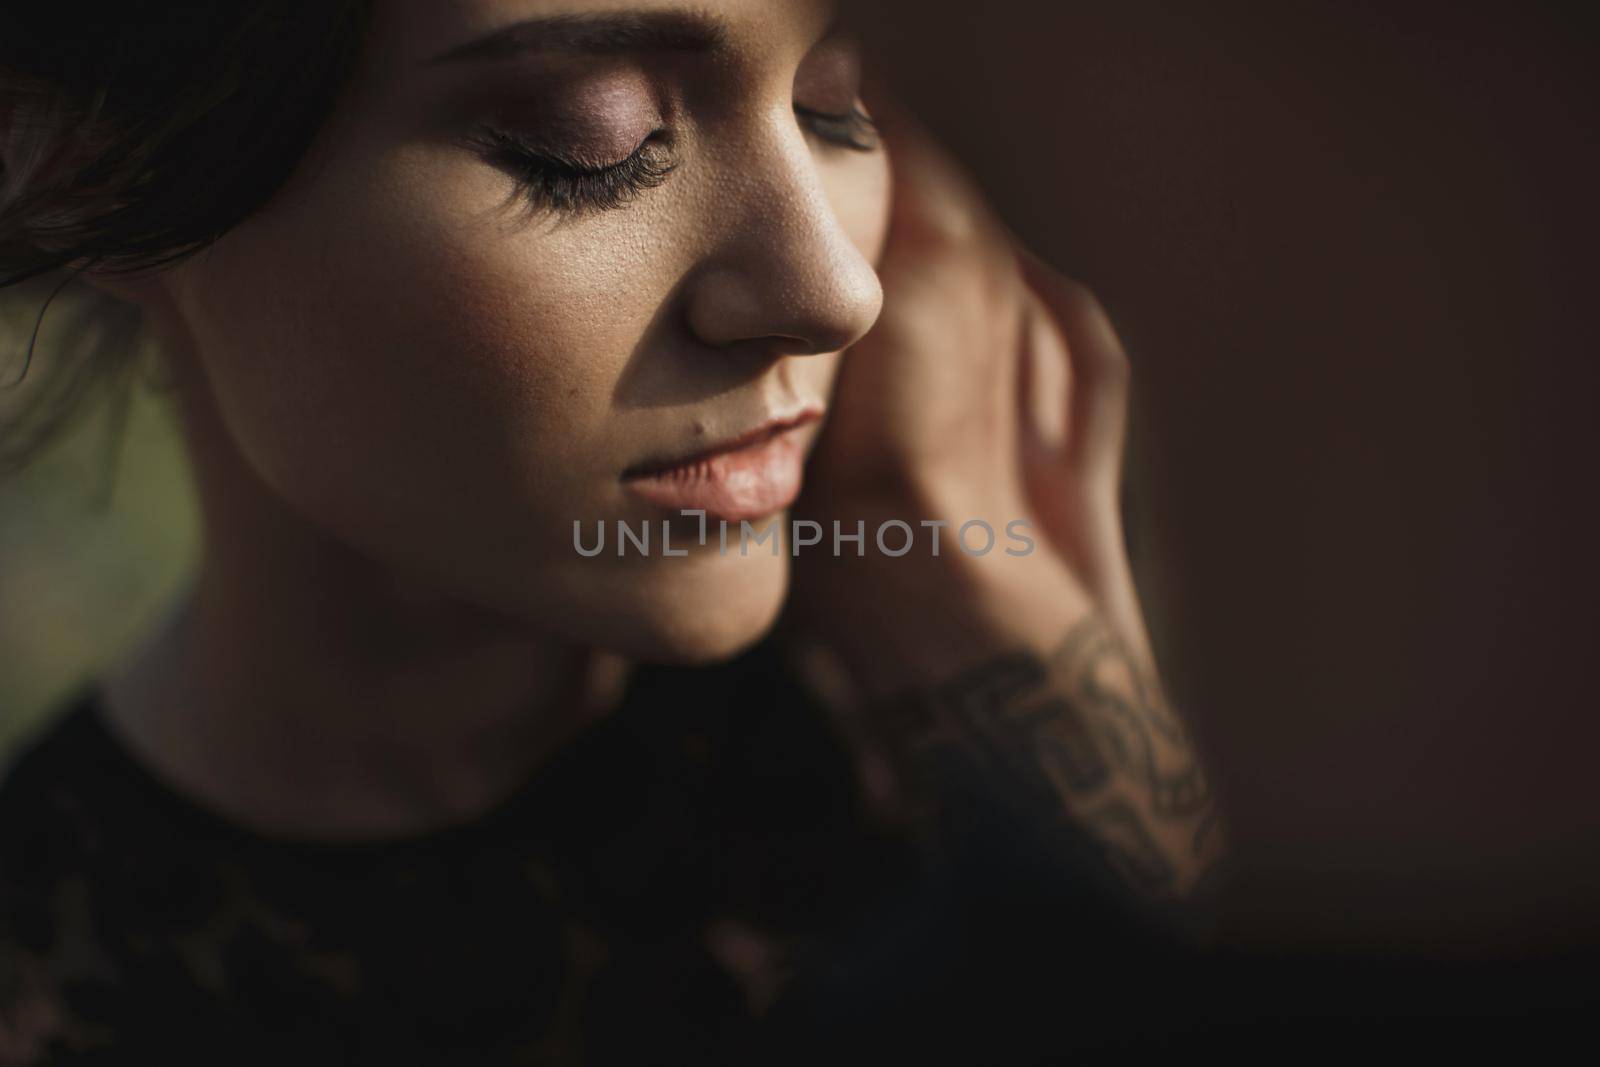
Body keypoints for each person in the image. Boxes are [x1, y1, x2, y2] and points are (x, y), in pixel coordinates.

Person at [0, 1, 1228, 1062]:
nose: (831, 292)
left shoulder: (934, 713)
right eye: (592, 142)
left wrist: (983, 614)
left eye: (836, 102)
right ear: (70, 165)